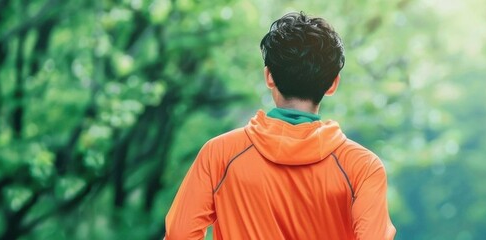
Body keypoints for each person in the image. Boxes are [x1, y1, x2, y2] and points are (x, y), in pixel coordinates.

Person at [164, 11, 396, 240]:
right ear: (332, 84)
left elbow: (179, 234)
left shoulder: (220, 154)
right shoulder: (362, 167)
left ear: (269, 76)